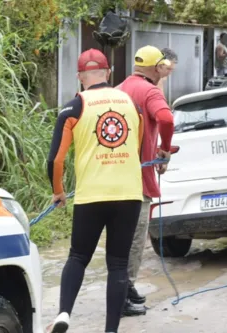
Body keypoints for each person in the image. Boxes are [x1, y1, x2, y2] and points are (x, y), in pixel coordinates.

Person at [47, 48, 144, 333]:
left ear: (79, 77)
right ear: (109, 73)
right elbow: (136, 147)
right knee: (117, 264)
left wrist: (58, 191)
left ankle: (64, 313)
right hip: (129, 194)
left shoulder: (74, 107)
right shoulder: (130, 103)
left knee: (78, 256)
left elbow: (56, 159)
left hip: (92, 196)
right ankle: (111, 331)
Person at [117, 45, 175, 317]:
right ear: (156, 69)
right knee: (135, 241)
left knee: (119, 239)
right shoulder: (150, 91)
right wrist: (165, 148)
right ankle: (122, 294)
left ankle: (124, 289)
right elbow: (165, 118)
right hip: (137, 181)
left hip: (113, 179)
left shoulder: (118, 90)